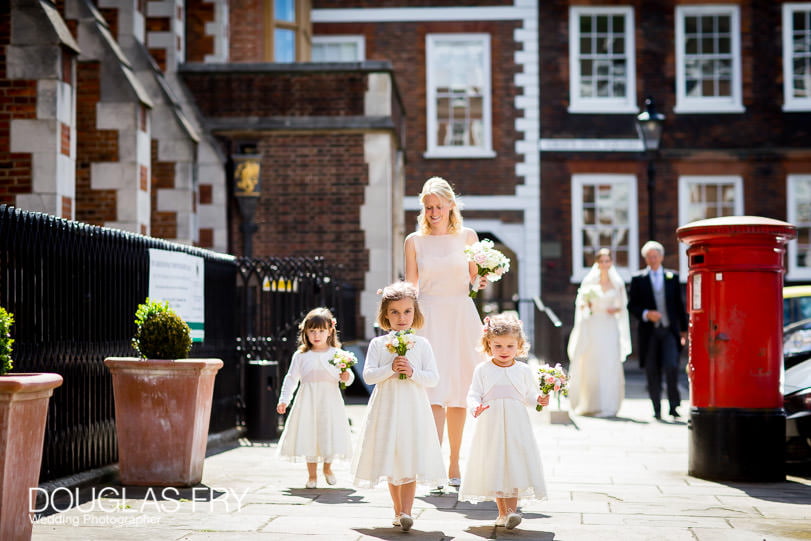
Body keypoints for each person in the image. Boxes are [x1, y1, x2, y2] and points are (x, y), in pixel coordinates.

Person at [404, 176, 486, 488]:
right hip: (428, 319)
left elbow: (477, 280)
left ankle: (454, 463)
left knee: (459, 394)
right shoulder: (414, 241)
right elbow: (411, 286)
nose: (434, 212)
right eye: (428, 207)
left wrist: (484, 279)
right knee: (433, 393)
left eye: (439, 206)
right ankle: (434, 463)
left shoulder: (468, 237)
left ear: (451, 206)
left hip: (461, 317)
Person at [351, 282, 445, 532]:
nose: (401, 317)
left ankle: (407, 511)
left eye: (407, 312)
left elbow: (433, 378)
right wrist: (390, 369)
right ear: (385, 315)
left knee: (410, 454)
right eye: (394, 312)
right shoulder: (378, 345)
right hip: (388, 406)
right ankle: (396, 510)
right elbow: (369, 375)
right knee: (393, 456)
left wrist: (412, 372)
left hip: (413, 408)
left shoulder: (422, 345)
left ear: (415, 314)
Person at [458, 313, 549, 530]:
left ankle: (512, 512)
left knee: (515, 463)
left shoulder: (524, 370)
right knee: (496, 463)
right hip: (492, 425)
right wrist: (475, 407)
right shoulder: (483, 370)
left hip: (517, 426)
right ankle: (503, 513)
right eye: (498, 346)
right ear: (488, 344)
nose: (504, 351)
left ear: (519, 345)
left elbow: (528, 396)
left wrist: (539, 399)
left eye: (510, 346)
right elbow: (473, 394)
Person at [276, 307, 354, 488]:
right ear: (306, 333)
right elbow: (291, 378)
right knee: (309, 434)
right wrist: (284, 400)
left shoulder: (337, 354)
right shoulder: (301, 356)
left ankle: (328, 468)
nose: (316, 335)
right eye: (312, 331)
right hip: (307, 401)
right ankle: (312, 475)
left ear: (330, 331)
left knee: (328, 433)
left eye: (321, 331)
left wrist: (346, 377)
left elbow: (348, 376)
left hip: (330, 401)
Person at [566, 248, 632, 417]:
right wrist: (586, 306)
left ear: (611, 263)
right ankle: (590, 403)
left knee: (609, 363)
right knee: (592, 362)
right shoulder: (589, 283)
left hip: (609, 327)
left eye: (607, 261)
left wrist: (613, 309)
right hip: (593, 326)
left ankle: (608, 405)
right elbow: (580, 304)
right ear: (597, 263)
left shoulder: (617, 283)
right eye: (601, 261)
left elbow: (622, 307)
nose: (604, 264)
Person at [628, 241, 688, 420]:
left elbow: (679, 305)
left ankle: (674, 406)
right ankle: (656, 408)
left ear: (661, 257)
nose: (652, 259)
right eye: (649, 256)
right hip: (649, 332)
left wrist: (684, 331)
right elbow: (632, 305)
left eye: (655, 256)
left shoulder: (673, 277)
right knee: (652, 370)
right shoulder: (638, 279)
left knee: (671, 366)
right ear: (645, 258)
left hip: (669, 330)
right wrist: (647, 314)